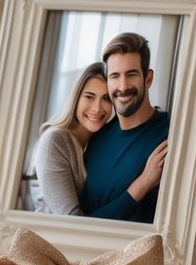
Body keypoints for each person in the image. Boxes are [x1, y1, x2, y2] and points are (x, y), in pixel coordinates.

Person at [80, 32, 169, 223]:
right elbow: (85, 224)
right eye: (114, 76)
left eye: (131, 74)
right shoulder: (97, 136)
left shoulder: (169, 133)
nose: (123, 86)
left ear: (148, 78)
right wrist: (144, 182)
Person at [32, 62, 112, 215]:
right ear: (76, 98)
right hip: (50, 237)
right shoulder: (54, 140)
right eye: (89, 97)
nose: (97, 108)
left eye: (106, 99)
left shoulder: (100, 143)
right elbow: (68, 217)